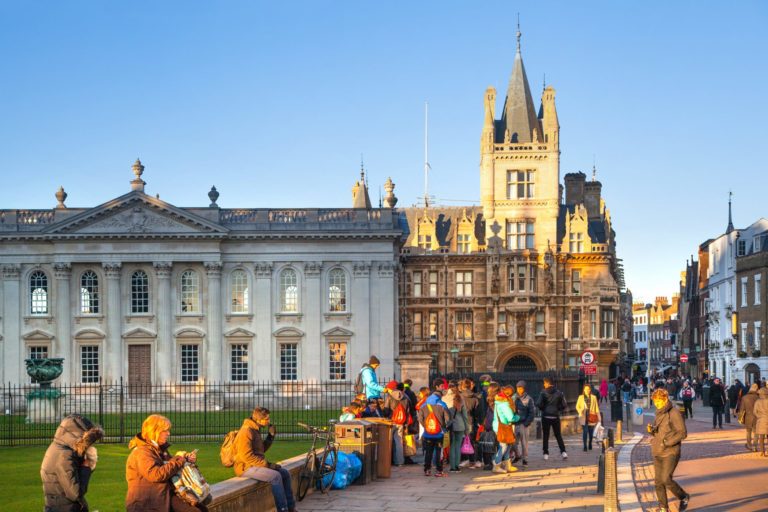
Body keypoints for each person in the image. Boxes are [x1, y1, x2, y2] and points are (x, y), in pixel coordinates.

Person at [126, 414, 205, 512]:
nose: (168, 433)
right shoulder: (142, 452)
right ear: (154, 431)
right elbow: (155, 474)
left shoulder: (157, 448)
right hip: (146, 503)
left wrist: (186, 459)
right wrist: (180, 459)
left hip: (162, 496)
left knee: (199, 508)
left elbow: (170, 466)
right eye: (165, 430)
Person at [233, 407, 296, 512]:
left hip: (255, 465)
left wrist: (270, 437)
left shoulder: (255, 429)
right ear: (258, 420)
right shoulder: (246, 431)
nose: (269, 421)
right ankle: (282, 509)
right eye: (266, 419)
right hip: (245, 467)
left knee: (285, 473)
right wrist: (268, 465)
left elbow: (260, 450)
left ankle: (291, 508)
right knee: (275, 476)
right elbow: (246, 456)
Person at [41, 414, 103, 512]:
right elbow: (75, 493)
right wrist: (86, 467)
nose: (88, 445)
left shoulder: (60, 448)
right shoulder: (64, 456)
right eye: (88, 441)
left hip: (59, 506)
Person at [647, 389, 690, 512]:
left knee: (666, 479)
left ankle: (684, 496)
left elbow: (682, 433)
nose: (657, 404)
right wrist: (651, 430)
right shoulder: (659, 413)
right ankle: (663, 508)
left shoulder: (674, 412)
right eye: (655, 402)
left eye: (659, 401)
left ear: (665, 399)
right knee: (658, 482)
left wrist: (667, 443)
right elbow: (660, 431)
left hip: (670, 451)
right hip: (657, 451)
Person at [418, 388, 451, 477]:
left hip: (427, 433)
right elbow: (448, 420)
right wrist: (444, 427)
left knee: (428, 452)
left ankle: (427, 470)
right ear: (440, 396)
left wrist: (426, 427)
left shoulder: (423, 405)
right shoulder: (442, 405)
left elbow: (420, 419)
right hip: (439, 433)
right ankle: (439, 470)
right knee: (438, 452)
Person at [536, 377, 568, 460]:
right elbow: (564, 405)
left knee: (546, 435)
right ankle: (563, 452)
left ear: (547, 383)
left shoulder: (543, 392)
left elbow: (538, 404)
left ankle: (546, 453)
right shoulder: (559, 393)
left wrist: (544, 409)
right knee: (558, 435)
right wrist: (557, 409)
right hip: (555, 416)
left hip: (546, 416)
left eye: (544, 383)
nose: (543, 385)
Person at [492, 384, 520, 473]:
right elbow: (510, 417)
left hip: (501, 426)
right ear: (508, 395)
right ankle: (496, 465)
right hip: (503, 427)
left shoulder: (499, 401)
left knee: (508, 445)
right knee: (503, 446)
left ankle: (507, 465)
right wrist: (518, 417)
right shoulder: (503, 403)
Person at [383, 380, 410, 467]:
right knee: (399, 442)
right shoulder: (405, 397)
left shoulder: (390, 397)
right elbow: (407, 411)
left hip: (391, 422)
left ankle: (388, 461)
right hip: (401, 422)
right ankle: (400, 461)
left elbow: (386, 410)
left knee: (389, 442)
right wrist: (405, 424)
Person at [459, 378, 482, 468]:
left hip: (460, 420)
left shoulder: (459, 396)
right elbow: (477, 412)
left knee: (461, 441)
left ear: (462, 386)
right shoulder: (475, 398)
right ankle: (472, 460)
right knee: (471, 441)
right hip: (471, 421)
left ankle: (464, 459)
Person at [447, 383, 470, 472]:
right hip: (460, 426)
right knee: (457, 446)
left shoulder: (447, 402)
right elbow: (465, 417)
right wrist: (467, 429)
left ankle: (452, 466)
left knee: (452, 446)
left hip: (451, 426)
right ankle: (457, 466)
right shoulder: (461, 403)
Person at [514, 380, 535, 467]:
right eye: (518, 388)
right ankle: (517, 455)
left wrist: (526, 423)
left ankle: (525, 459)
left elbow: (532, 412)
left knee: (524, 443)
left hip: (523, 424)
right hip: (515, 423)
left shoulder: (528, 399)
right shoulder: (514, 397)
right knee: (513, 443)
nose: (519, 390)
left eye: (521, 388)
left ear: (524, 388)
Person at [576, 384, 600, 451]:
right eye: (586, 389)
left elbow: (596, 408)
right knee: (585, 431)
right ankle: (585, 446)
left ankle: (590, 443)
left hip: (591, 417)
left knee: (591, 433)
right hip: (583, 417)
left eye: (588, 389)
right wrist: (580, 411)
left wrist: (599, 417)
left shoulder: (594, 397)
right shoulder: (580, 397)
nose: (587, 390)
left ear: (590, 390)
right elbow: (577, 406)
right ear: (584, 390)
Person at [739, 383, 760, 451]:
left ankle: (749, 445)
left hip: (748, 417)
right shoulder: (758, 397)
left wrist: (740, 419)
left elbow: (741, 409)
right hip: (757, 417)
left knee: (748, 432)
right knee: (756, 432)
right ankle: (755, 446)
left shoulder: (745, 397)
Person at [754, 387, 768, 456]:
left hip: (761, 421)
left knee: (761, 437)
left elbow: (755, 412)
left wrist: (759, 416)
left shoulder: (757, 401)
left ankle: (762, 451)